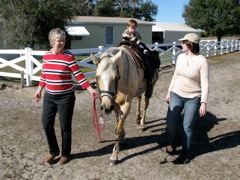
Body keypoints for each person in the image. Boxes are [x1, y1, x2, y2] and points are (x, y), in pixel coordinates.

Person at [35, 28, 98, 165]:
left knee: (65, 126)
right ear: (52, 42)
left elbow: (79, 75)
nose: (62, 43)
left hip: (66, 97)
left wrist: (90, 89)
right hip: (49, 96)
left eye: (63, 40)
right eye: (59, 40)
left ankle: (65, 153)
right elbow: (44, 74)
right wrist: (39, 89)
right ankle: (53, 151)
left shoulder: (68, 56)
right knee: (46, 124)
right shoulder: (46, 56)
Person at [165, 33, 209, 164]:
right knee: (170, 122)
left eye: (184, 42)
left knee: (187, 126)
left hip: (193, 98)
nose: (181, 44)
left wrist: (203, 102)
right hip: (177, 93)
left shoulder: (202, 61)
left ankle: (186, 152)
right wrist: (169, 91)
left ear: (191, 44)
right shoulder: (180, 57)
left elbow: (205, 83)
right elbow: (175, 75)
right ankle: (175, 141)